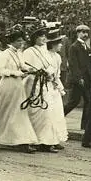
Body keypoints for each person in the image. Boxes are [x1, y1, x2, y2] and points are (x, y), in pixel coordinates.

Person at [0, 24, 39, 153]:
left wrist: (29, 69)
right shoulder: (5, 54)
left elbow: (21, 65)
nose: (21, 43)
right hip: (8, 84)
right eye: (18, 41)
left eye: (22, 40)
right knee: (7, 111)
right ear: (12, 42)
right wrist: (15, 73)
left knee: (18, 112)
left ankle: (20, 140)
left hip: (17, 86)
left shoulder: (18, 53)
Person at [22, 22, 63, 153]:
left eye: (45, 36)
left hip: (45, 83)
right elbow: (25, 67)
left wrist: (49, 73)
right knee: (35, 110)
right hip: (33, 83)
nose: (44, 39)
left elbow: (51, 66)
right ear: (35, 38)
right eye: (41, 37)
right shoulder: (29, 51)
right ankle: (33, 140)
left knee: (47, 112)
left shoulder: (45, 51)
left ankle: (46, 141)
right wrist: (37, 71)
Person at [44, 28, 69, 149]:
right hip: (46, 86)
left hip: (54, 88)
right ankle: (47, 140)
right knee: (49, 113)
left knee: (57, 113)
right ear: (53, 44)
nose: (61, 45)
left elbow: (57, 74)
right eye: (59, 43)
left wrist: (60, 88)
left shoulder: (58, 57)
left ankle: (56, 138)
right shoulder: (45, 55)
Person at [64, 24, 91, 130]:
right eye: (83, 32)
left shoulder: (86, 47)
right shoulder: (74, 47)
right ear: (77, 33)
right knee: (73, 102)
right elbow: (73, 65)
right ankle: (58, 117)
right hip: (78, 80)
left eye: (86, 33)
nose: (85, 35)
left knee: (88, 101)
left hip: (86, 79)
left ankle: (85, 125)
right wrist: (79, 78)